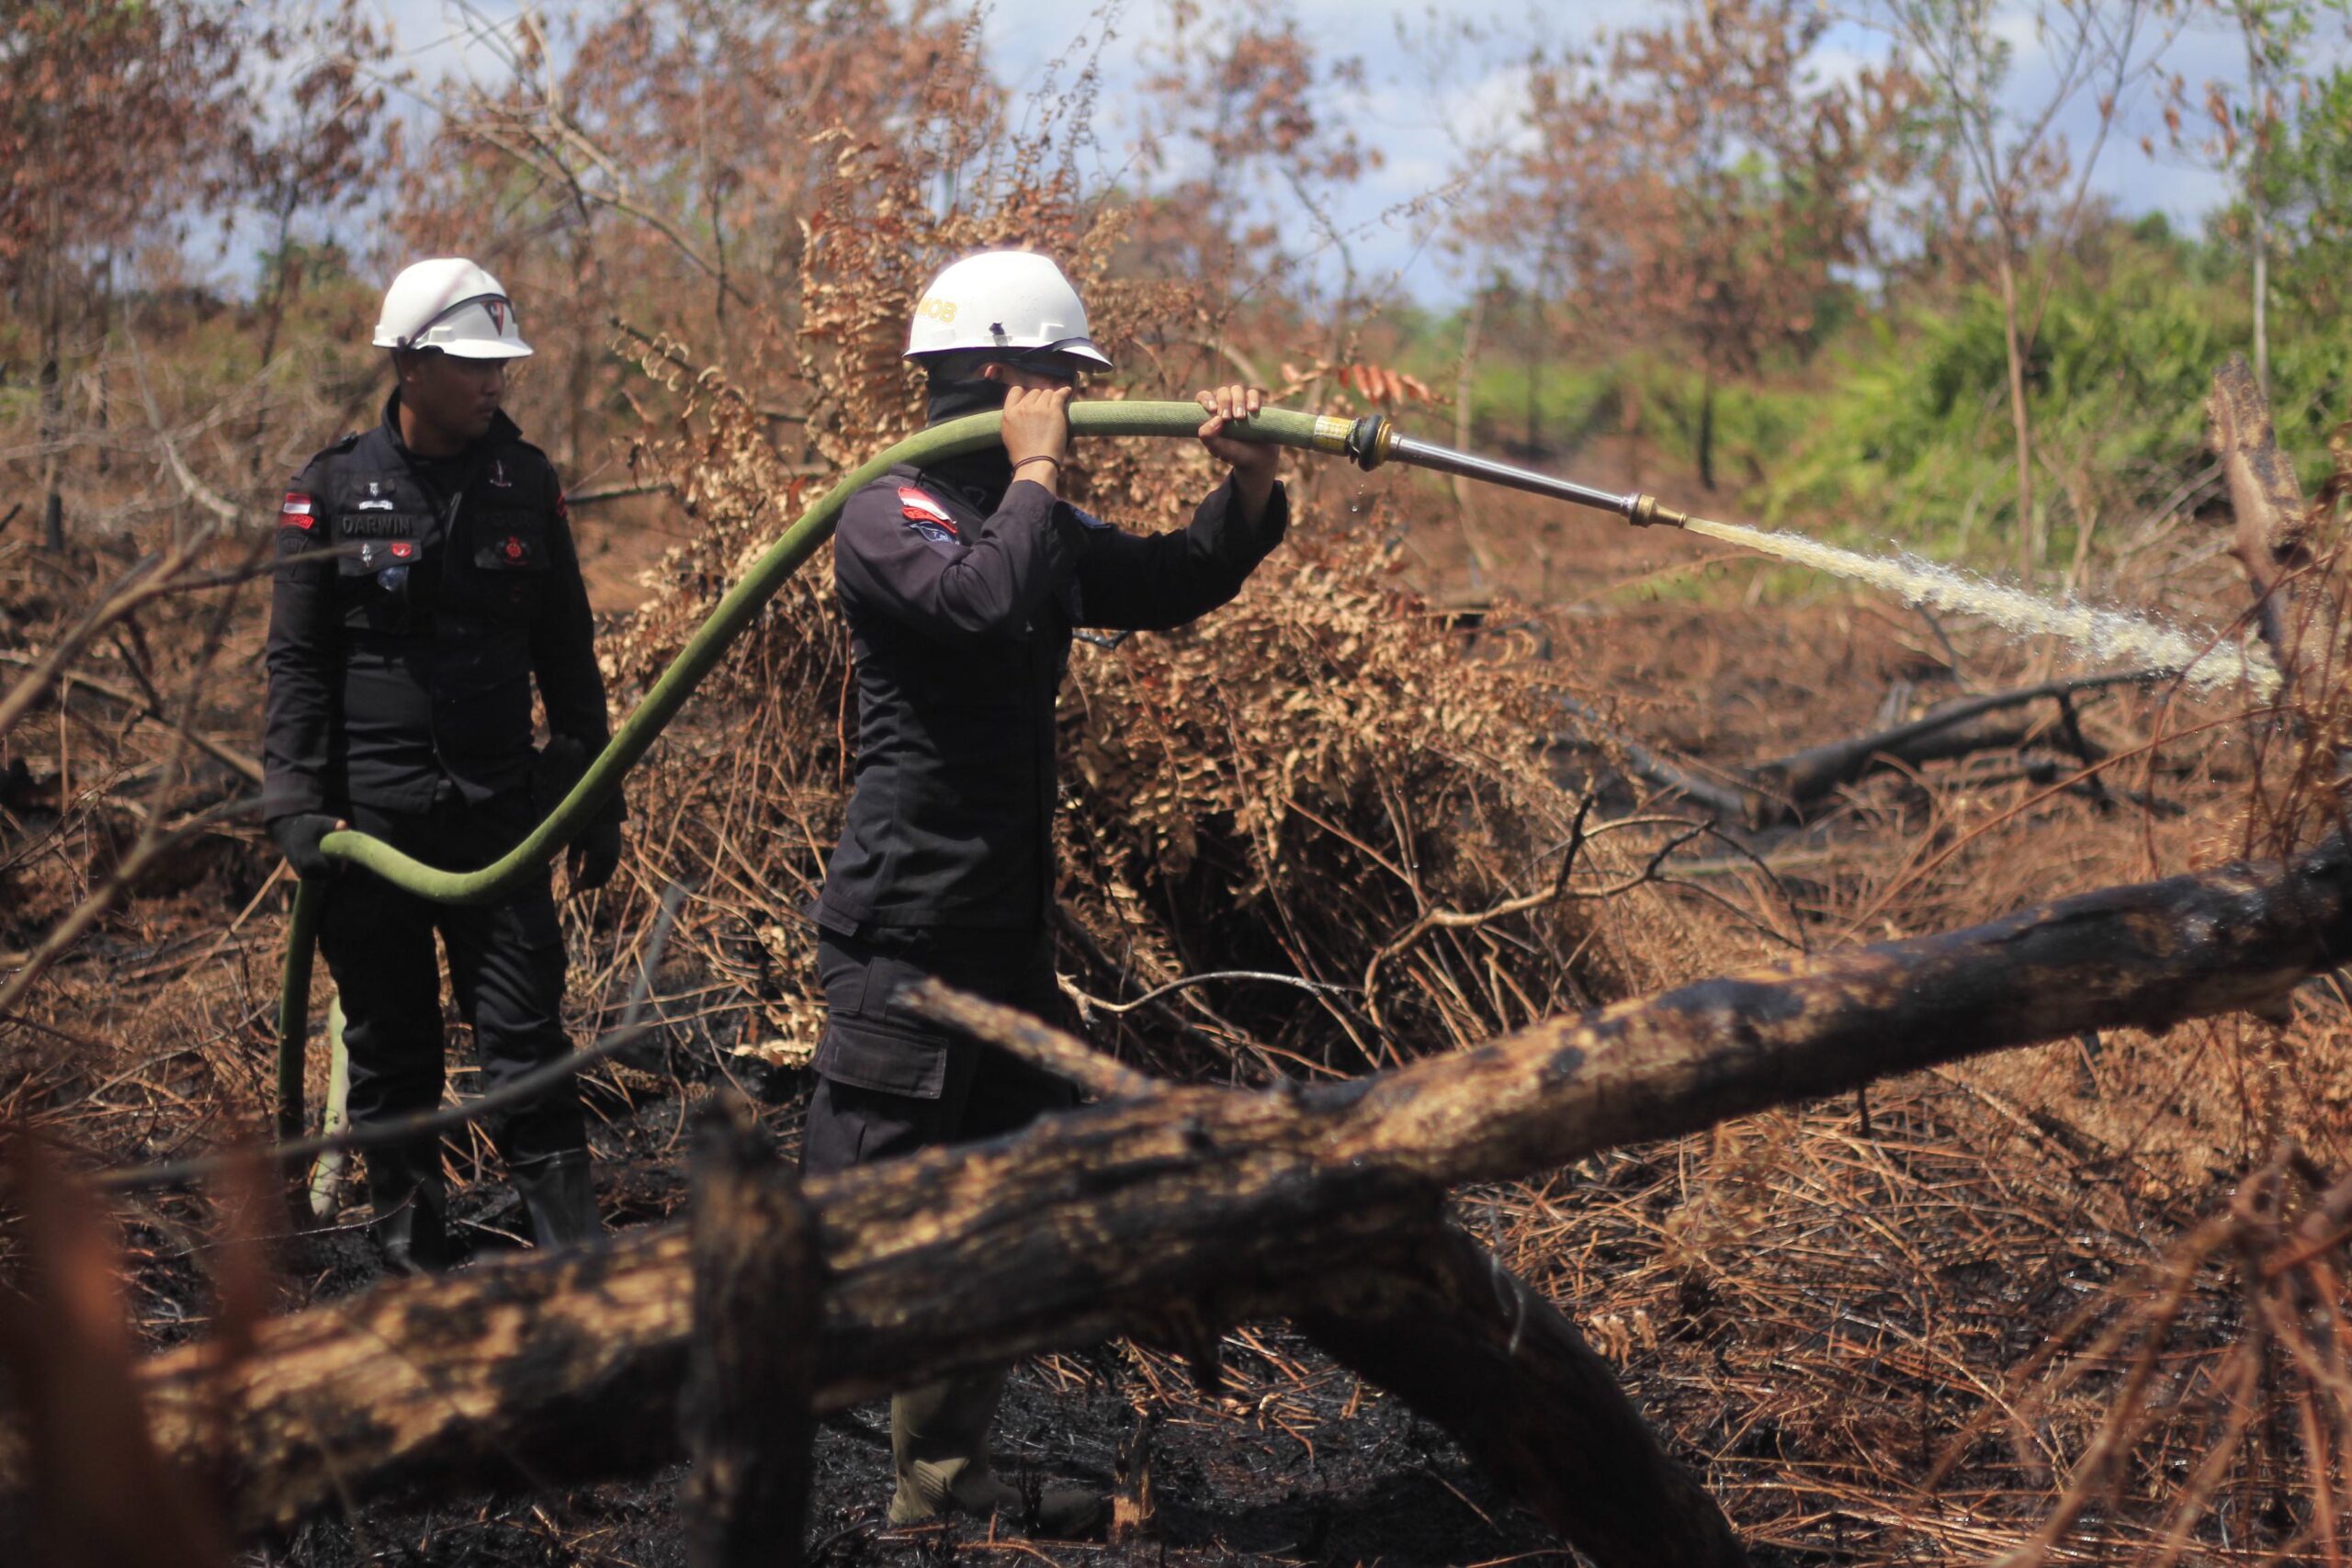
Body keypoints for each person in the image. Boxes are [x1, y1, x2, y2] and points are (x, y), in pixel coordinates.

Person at [803, 249, 1288, 1536]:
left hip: (1003, 936)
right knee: (848, 1232)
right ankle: (736, 1475)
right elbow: (978, 601)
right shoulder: (890, 512)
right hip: (903, 936)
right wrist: (1034, 472)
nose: (1076, 400)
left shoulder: (1038, 522)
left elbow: (1169, 581)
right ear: (998, 374)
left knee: (995, 1209)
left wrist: (1248, 484)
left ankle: (937, 1492)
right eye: (1061, 377)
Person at [262, 257, 623, 1274]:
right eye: (472, 364)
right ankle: (413, 1277)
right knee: (391, 1052)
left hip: (499, 820)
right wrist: (296, 802)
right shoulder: (330, 491)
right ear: (410, 364)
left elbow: (568, 650)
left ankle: (581, 1274)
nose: (494, 382)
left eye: (501, 364)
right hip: (370, 833)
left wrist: (596, 794)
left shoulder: (527, 483)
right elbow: (297, 661)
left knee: (527, 1042)